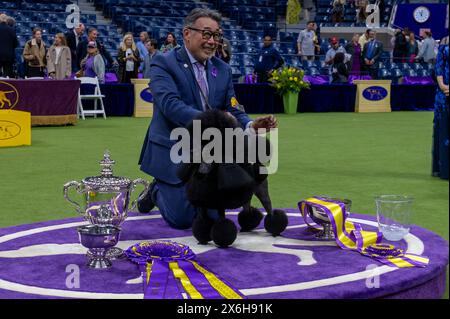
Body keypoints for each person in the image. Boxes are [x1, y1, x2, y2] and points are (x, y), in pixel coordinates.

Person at [138, 8, 277, 229]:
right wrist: (217, 119)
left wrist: (250, 123)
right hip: (175, 146)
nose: (212, 41)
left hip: (210, 148)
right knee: (183, 219)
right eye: (206, 34)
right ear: (186, 33)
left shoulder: (222, 69)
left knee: (214, 213)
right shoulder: (163, 63)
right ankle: (156, 190)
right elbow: (171, 106)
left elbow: (233, 106)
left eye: (216, 36)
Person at [431, 36, 449, 180]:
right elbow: (439, 66)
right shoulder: (444, 41)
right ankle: (444, 169)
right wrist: (442, 85)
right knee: (443, 129)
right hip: (444, 93)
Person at [0, 14, 18, 78]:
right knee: (7, 77)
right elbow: (16, 44)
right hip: (9, 56)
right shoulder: (11, 30)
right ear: (6, 20)